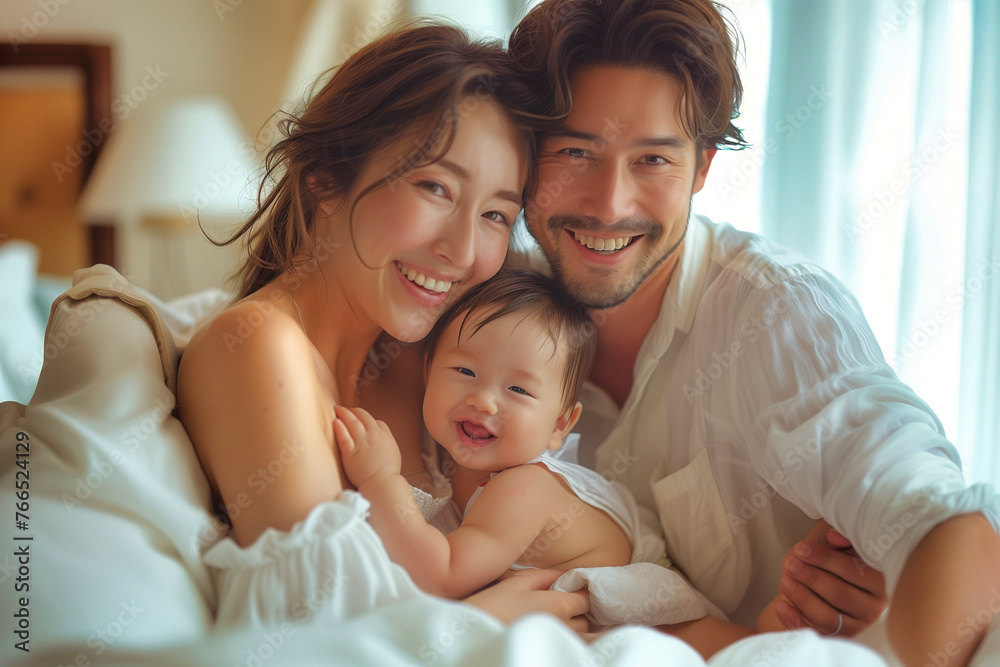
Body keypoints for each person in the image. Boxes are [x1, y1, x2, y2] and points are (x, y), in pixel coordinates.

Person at [504, 0, 1000, 664]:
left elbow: (958, 532)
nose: (609, 204)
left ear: (703, 166)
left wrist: (900, 624)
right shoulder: (489, 311)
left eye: (652, 160)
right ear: (525, 156)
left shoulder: (778, 311)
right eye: (575, 151)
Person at [176, 20, 590, 630]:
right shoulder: (261, 346)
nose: (463, 249)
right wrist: (485, 619)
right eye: (435, 187)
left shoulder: (429, 356)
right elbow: (314, 620)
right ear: (325, 180)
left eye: (497, 214)